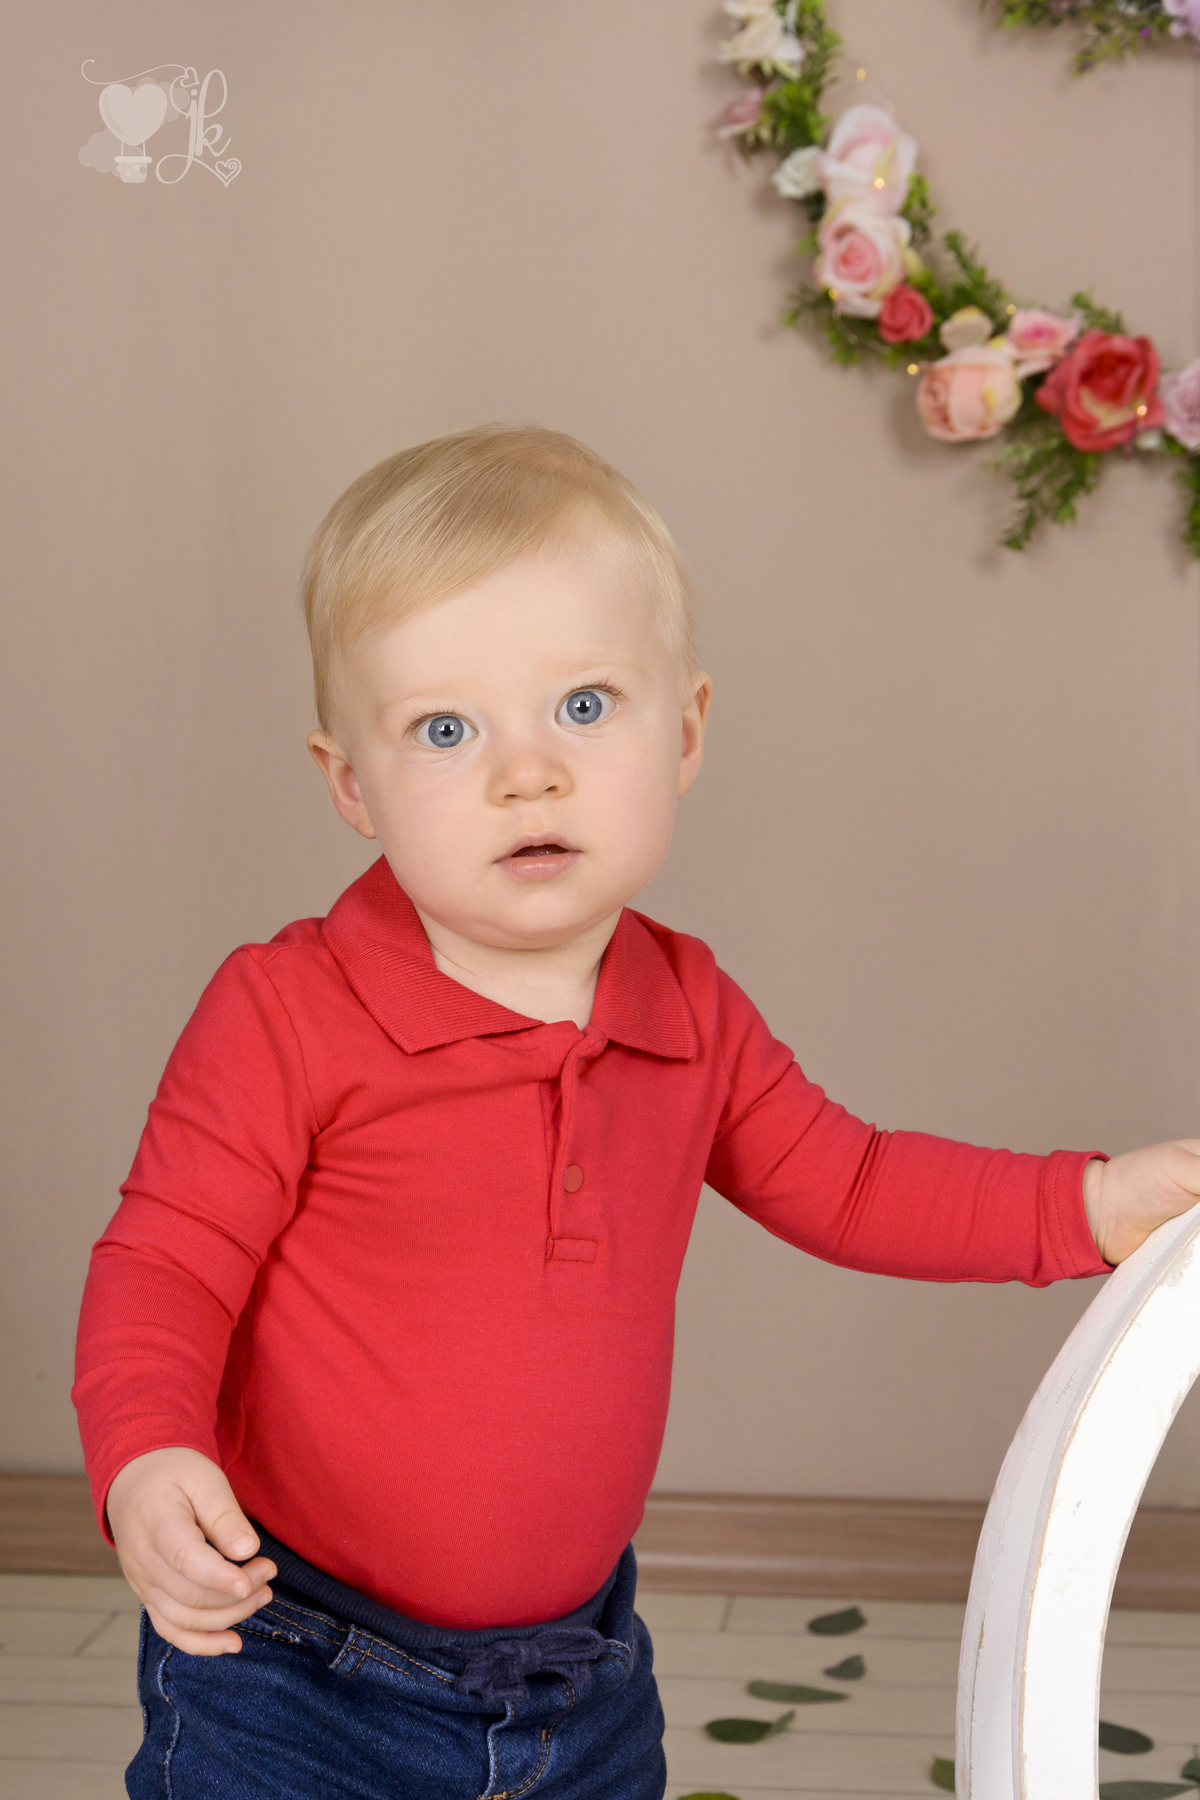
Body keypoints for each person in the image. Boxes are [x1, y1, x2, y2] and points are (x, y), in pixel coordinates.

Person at [73, 424, 1200, 1800]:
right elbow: (167, 1261)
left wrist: (1087, 1202)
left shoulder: (689, 1010)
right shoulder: (287, 1010)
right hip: (294, 1666)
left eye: (585, 705)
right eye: (445, 730)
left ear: (687, 731)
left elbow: (851, 1183)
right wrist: (146, 1452)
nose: (527, 772)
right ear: (352, 784)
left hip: (578, 1678)